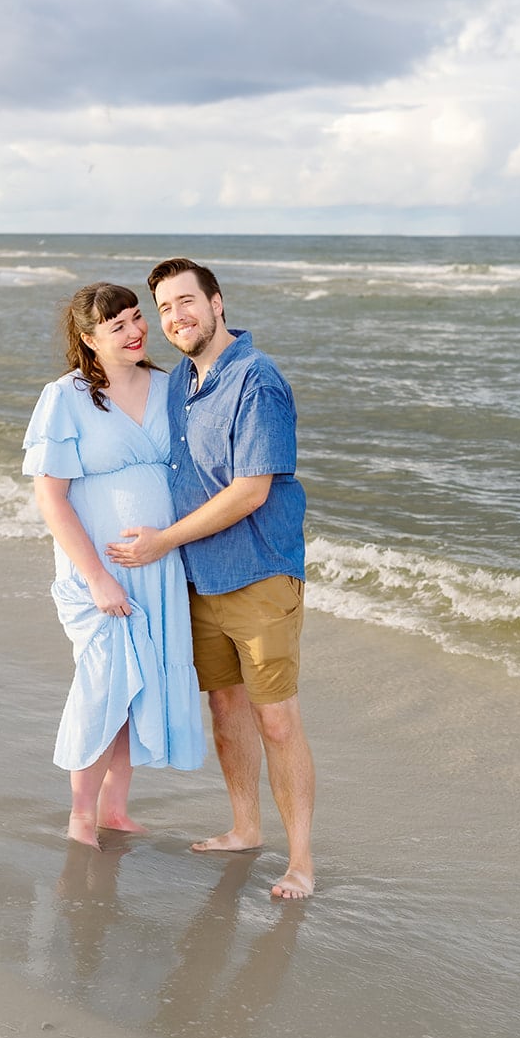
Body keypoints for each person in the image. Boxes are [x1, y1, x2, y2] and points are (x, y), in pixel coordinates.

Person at [106, 258, 316, 899]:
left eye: (186, 302)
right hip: (199, 578)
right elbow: (113, 378)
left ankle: (302, 861)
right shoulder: (178, 386)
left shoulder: (257, 380)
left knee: (276, 719)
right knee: (225, 709)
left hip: (258, 574)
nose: (176, 317)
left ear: (218, 303)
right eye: (164, 308)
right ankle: (245, 828)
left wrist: (163, 541)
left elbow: (252, 491)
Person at [23, 282, 205, 849]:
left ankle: (116, 809)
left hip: (158, 564)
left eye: (135, 318)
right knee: (105, 683)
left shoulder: (171, 387)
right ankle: (81, 815)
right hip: (97, 569)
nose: (135, 331)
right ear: (88, 338)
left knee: (140, 684)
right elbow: (50, 497)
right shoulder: (66, 396)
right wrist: (98, 578)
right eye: (117, 326)